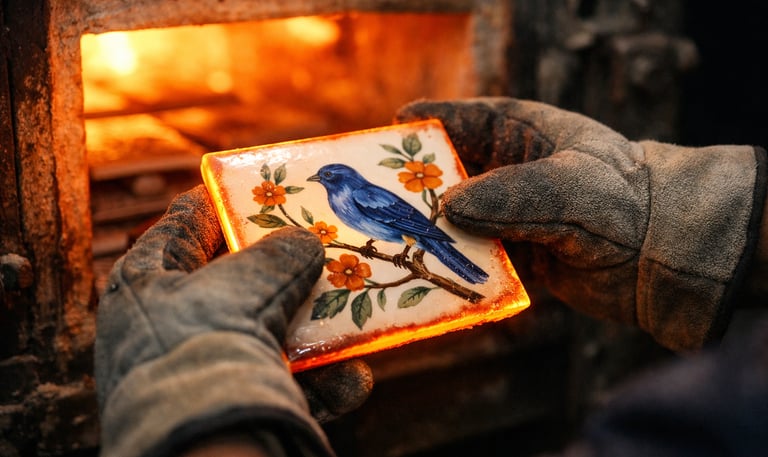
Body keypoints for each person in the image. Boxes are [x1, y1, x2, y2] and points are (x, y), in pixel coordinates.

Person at [94, 98, 768, 457]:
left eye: (335, 178)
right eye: (330, 178)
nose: (333, 183)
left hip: (411, 238)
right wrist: (686, 218)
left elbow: (395, 218)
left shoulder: (698, 425)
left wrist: (198, 406)